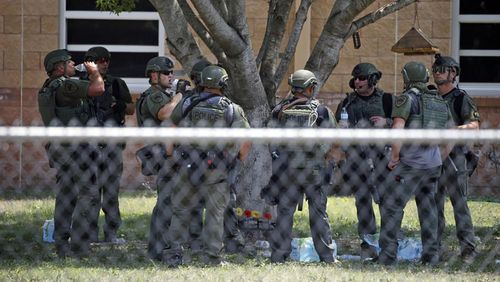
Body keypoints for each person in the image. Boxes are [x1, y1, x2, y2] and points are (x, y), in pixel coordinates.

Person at [163, 65, 251, 266]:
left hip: (188, 164)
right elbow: (246, 139)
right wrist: (239, 159)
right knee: (215, 213)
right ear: (223, 83)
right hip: (218, 168)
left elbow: (171, 127)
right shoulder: (231, 108)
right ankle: (212, 257)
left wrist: (169, 155)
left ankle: (174, 254)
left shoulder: (187, 102)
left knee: (180, 210)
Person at [378, 61, 453, 266]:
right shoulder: (438, 100)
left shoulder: (406, 99)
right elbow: (449, 137)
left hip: (409, 164)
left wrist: (394, 157)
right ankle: (430, 257)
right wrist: (439, 158)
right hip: (433, 165)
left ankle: (387, 257)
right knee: (428, 209)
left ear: (405, 77)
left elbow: (397, 130)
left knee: (392, 207)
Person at [37, 49, 105, 258]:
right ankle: (80, 245)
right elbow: (98, 89)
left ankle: (61, 243)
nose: (74, 63)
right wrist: (94, 72)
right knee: (88, 194)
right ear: (59, 68)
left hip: (61, 147)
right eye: (69, 62)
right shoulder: (65, 85)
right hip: (77, 150)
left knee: (66, 195)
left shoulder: (48, 88)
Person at [265, 69, 337, 263]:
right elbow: (333, 141)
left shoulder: (279, 111)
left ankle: (279, 255)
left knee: (285, 213)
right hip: (314, 171)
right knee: (318, 214)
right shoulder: (321, 111)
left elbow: (270, 139)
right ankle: (327, 257)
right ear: (311, 87)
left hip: (287, 171)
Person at [334, 63, 393, 259]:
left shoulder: (386, 100)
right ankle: (368, 242)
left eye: (361, 78)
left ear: (373, 80)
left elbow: (402, 123)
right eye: (355, 78)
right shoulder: (347, 103)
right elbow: (339, 128)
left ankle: (388, 241)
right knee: (363, 201)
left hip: (382, 157)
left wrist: (387, 123)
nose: (357, 82)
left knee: (386, 200)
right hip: (357, 159)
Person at [82, 46, 134, 244]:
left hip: (112, 146)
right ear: (90, 62)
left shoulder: (117, 83)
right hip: (89, 147)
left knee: (111, 193)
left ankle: (111, 234)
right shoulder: (80, 84)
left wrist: (118, 104)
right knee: (90, 193)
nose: (104, 63)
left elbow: (130, 108)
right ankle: (89, 234)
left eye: (107, 60)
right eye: (99, 60)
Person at [432, 54, 480, 262]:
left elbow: (474, 126)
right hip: (432, 158)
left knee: (459, 205)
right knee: (433, 205)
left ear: (453, 73)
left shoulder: (461, 98)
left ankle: (468, 249)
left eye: (442, 69)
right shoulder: (431, 97)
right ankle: (434, 247)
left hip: (455, 159)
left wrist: (453, 130)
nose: (437, 72)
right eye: (435, 69)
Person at [135, 56, 182, 261]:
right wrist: (180, 95)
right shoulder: (154, 95)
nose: (170, 76)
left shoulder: (163, 94)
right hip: (163, 154)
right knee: (166, 202)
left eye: (171, 72)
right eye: (166, 73)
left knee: (169, 201)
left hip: (168, 153)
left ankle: (161, 247)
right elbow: (165, 114)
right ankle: (159, 249)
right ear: (154, 75)